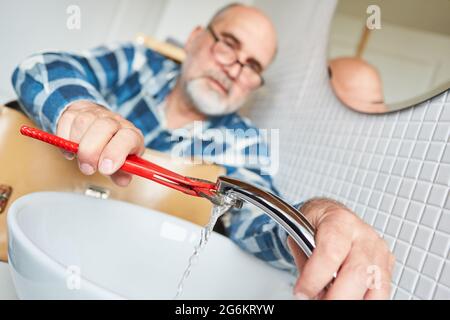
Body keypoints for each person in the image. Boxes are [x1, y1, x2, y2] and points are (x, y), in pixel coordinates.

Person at [12, 3, 394, 299]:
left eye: (252, 66)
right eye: (228, 44)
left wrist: (313, 221)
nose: (233, 69)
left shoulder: (244, 144)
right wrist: (81, 108)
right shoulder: (139, 63)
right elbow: (40, 67)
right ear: (195, 37)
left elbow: (255, 222)